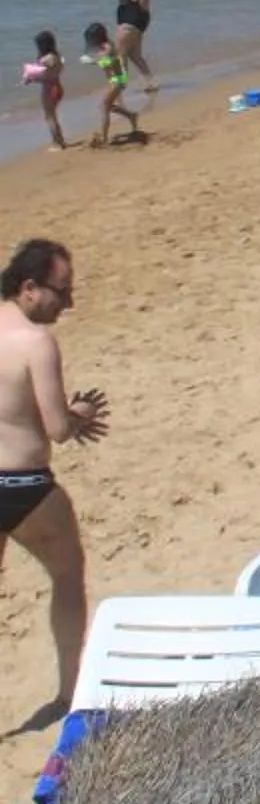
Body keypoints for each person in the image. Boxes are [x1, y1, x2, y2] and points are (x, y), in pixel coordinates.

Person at [0, 238, 107, 720]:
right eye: (61, 292)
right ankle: (69, 692)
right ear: (28, 288)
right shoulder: (36, 342)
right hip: (25, 486)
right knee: (68, 576)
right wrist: (79, 413)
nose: (69, 302)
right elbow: (58, 430)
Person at [94, 0, 155, 92]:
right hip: (139, 22)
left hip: (130, 22)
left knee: (120, 55)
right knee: (135, 55)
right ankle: (150, 82)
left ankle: (119, 85)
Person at [80, 22, 145, 147]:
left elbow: (107, 62)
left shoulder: (107, 47)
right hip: (115, 79)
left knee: (103, 107)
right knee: (108, 106)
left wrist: (92, 61)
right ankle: (131, 115)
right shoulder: (105, 46)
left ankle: (104, 137)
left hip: (118, 79)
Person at [25, 33, 65, 152]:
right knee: (53, 115)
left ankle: (57, 143)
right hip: (58, 86)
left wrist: (30, 78)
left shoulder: (46, 59)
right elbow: (53, 71)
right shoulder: (56, 55)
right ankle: (60, 139)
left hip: (49, 89)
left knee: (49, 117)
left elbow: (41, 73)